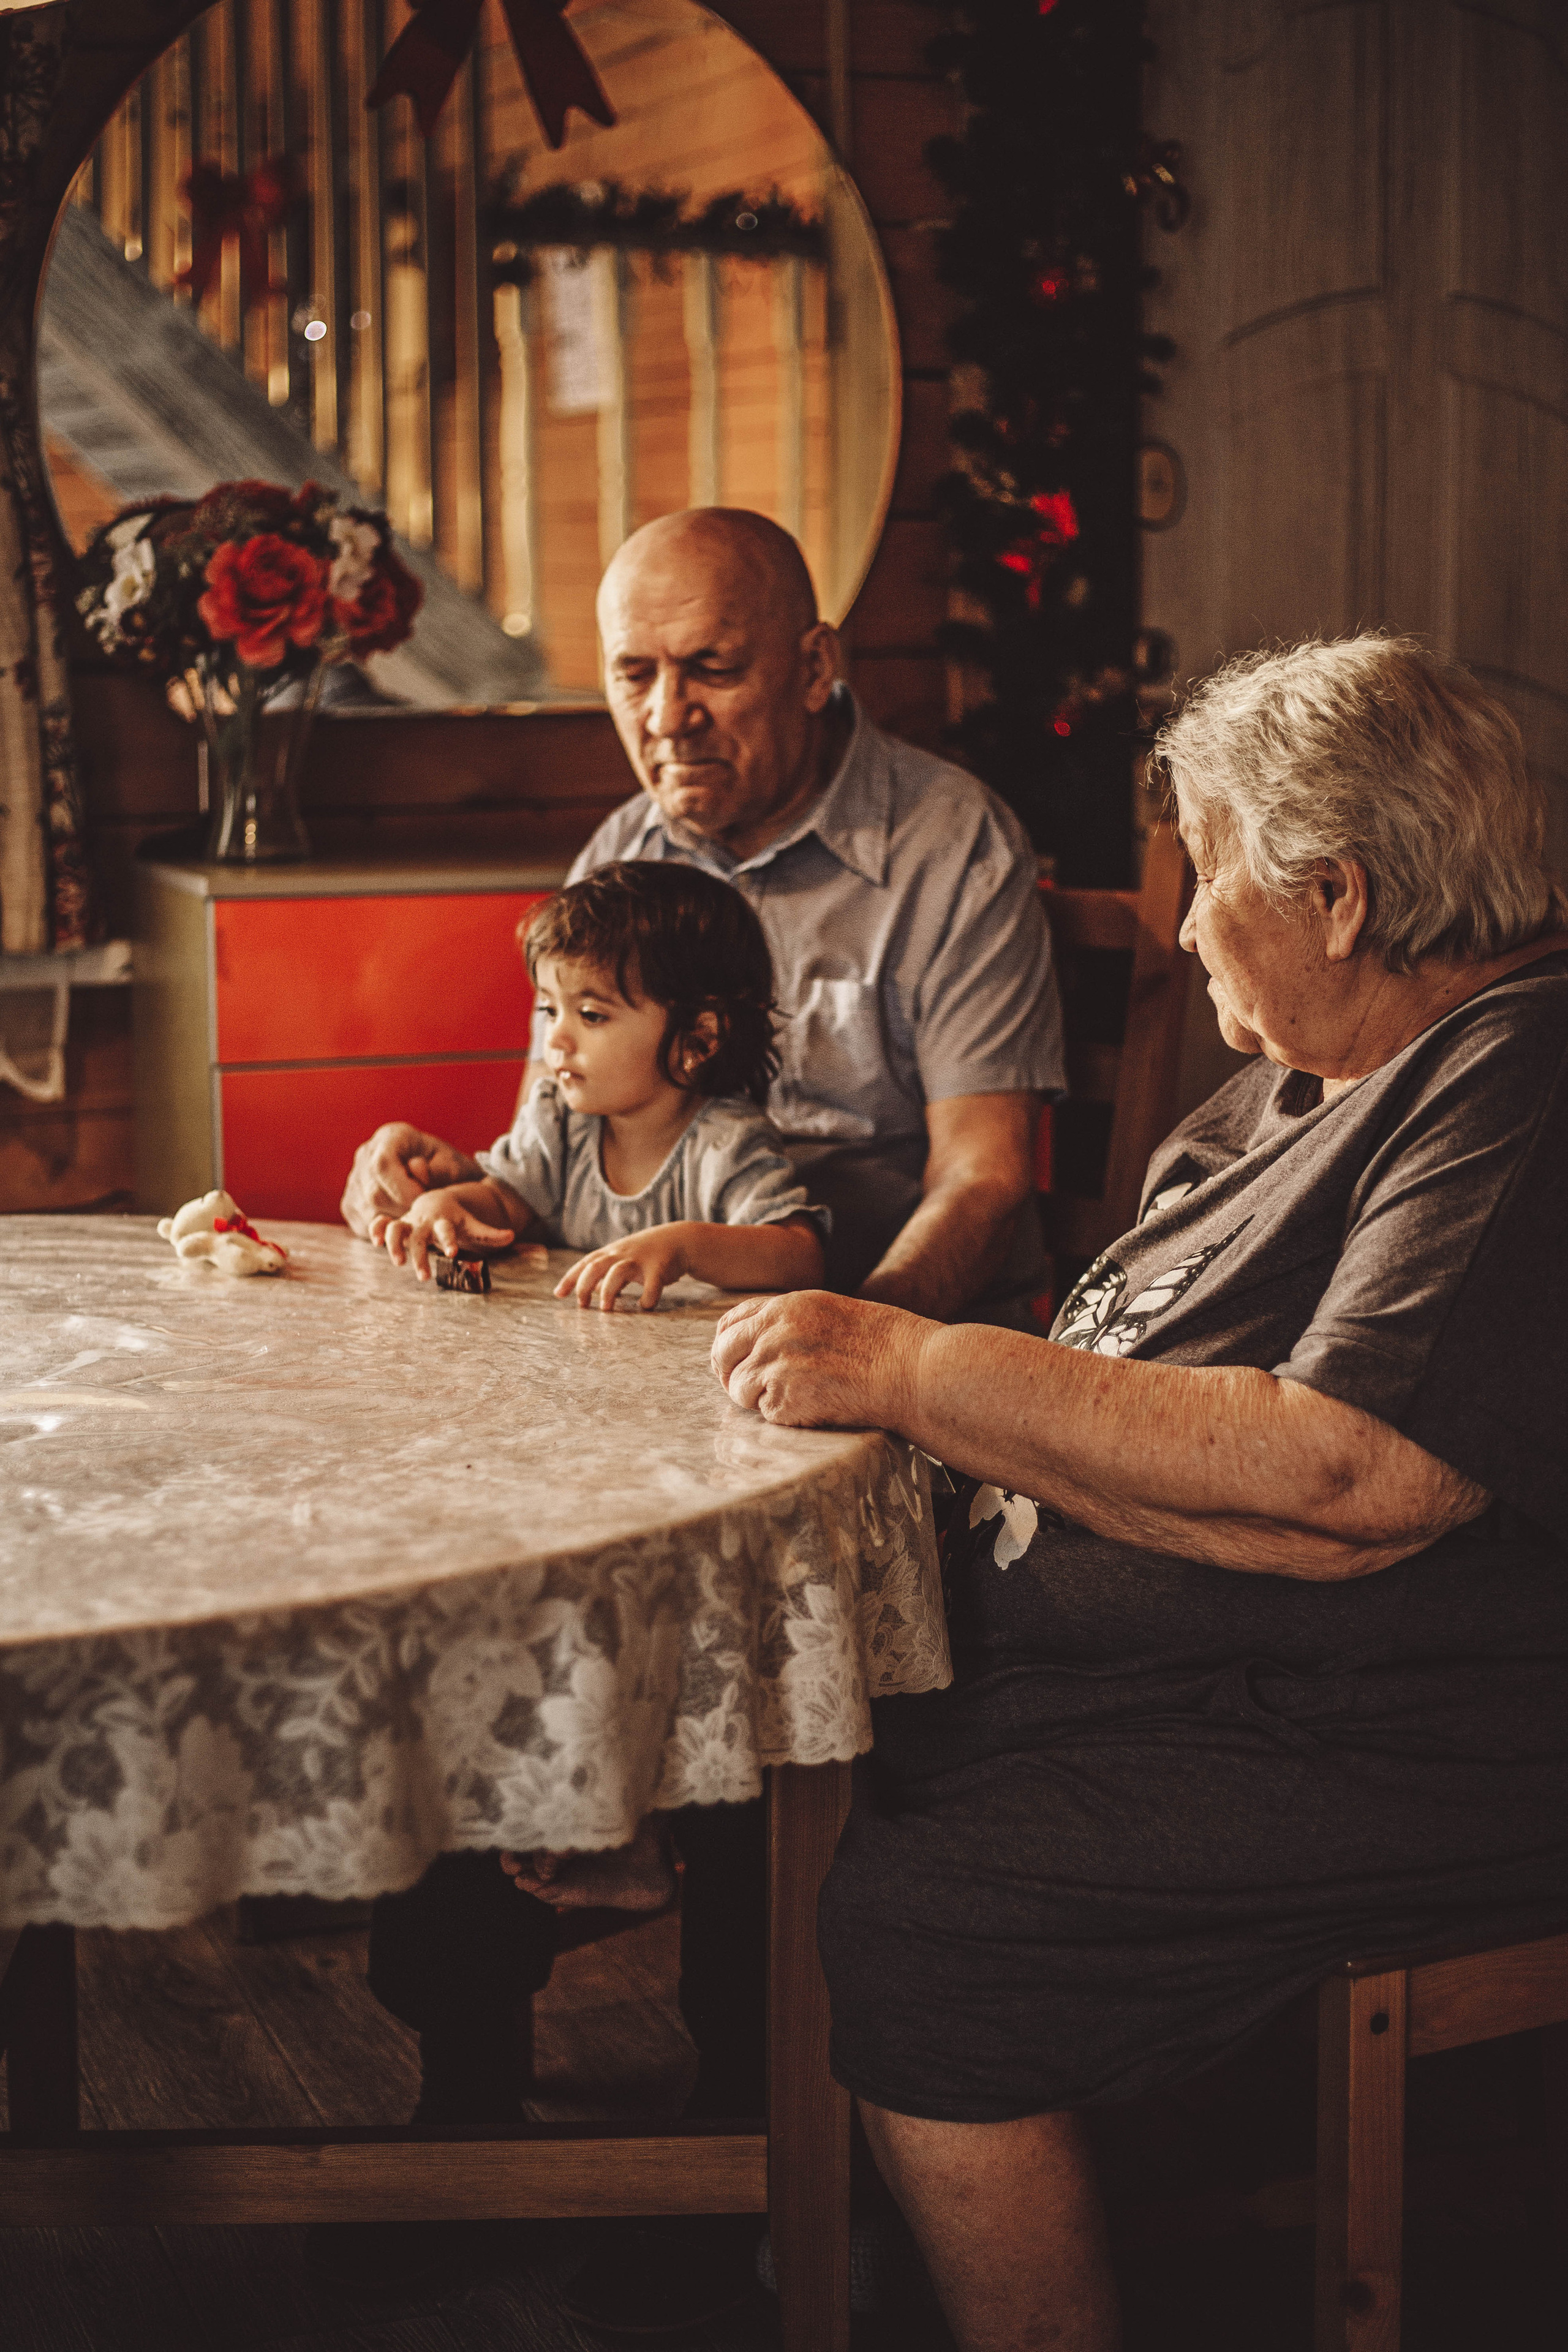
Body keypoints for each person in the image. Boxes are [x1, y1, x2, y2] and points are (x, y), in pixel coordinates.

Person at [711, 633, 1568, 2352]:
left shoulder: (1512, 1068)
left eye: (1208, 872)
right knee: (793, 1726)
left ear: (1335, 893)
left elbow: (1352, 1475)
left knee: (931, 1920)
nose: (1182, 930)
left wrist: (918, 1372)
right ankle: (839, 2236)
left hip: (1403, 1723)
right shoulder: (1323, 1066)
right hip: (1225, 1673)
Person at [334, 508, 1066, 2324]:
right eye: (633, 675)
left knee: (740, 1620)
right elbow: (554, 1134)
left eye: (713, 669)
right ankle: (465, 2071)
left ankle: (748, 2116)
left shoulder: (944, 840)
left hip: (877, 1356)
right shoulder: (625, 850)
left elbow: (988, 1178)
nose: (668, 715)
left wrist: (857, 1348)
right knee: (453, 1554)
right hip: (640, 1371)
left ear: (816, 663)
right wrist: (440, 1182)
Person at [371, 859, 826, 1315]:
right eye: (550, 1011)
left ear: (700, 1037)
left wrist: (686, 1247)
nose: (555, 1040)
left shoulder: (727, 1143)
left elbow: (801, 1258)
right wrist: (445, 1206)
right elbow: (503, 1203)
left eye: (591, 1015)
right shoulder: (558, 1121)